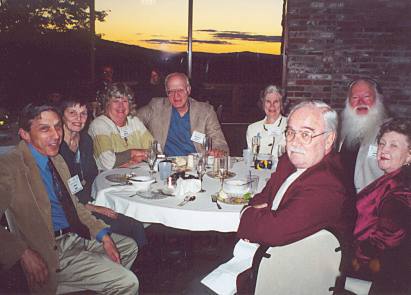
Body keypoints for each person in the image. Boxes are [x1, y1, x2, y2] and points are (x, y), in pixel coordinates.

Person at [0, 103, 139, 294]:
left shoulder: (56, 159)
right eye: (44, 129)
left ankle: (88, 283)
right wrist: (23, 252)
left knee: (128, 247)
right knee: (128, 282)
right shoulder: (9, 166)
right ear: (24, 134)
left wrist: (102, 235)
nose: (56, 135)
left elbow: (76, 207)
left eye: (57, 127)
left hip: (74, 236)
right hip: (50, 249)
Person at [238, 100, 352, 245]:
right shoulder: (288, 161)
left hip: (296, 261)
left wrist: (245, 212)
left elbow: (272, 232)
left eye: (306, 134)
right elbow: (263, 197)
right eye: (291, 132)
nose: (294, 142)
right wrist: (262, 216)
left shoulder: (328, 184)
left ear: (329, 139)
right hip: (267, 250)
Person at [59, 97, 147, 247]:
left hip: (92, 197)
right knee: (132, 226)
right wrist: (94, 207)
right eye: (72, 113)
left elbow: (92, 174)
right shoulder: (57, 147)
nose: (79, 118)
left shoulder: (85, 140)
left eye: (83, 113)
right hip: (75, 211)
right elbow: (61, 193)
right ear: (61, 115)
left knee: (133, 219)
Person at [348, 118, 411, 294]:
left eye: (394, 145)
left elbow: (390, 235)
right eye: (382, 144)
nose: (384, 149)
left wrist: (357, 256)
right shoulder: (393, 178)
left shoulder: (401, 186)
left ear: (409, 155)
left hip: (382, 273)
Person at [136, 72, 229, 157]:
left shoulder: (205, 111)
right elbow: (131, 119)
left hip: (196, 165)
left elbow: (220, 144)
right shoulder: (156, 107)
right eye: (171, 91)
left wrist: (218, 151)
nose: (176, 96)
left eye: (180, 90)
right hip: (166, 164)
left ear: (188, 90)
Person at [89, 82, 153, 171]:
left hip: (138, 175)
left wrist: (125, 161)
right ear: (107, 104)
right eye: (116, 101)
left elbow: (155, 150)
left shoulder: (134, 121)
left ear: (130, 104)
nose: (121, 106)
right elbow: (108, 163)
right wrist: (132, 153)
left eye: (124, 101)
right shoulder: (99, 124)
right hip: (109, 181)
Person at [339, 78, 388, 193]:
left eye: (366, 97)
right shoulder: (342, 130)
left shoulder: (389, 132)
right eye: (355, 98)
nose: (361, 103)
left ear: (378, 99)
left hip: (371, 203)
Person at [246, 85, 287, 157]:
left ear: (281, 104)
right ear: (263, 104)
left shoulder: (289, 125)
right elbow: (251, 158)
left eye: (276, 102)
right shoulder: (252, 129)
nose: (272, 106)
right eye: (268, 102)